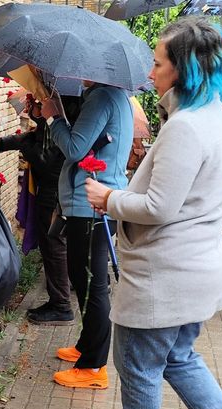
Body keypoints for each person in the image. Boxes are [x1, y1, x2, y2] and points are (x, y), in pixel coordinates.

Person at [83, 17, 222, 409]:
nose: (150, 72)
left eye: (158, 63)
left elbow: (159, 207)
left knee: (135, 361)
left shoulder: (186, 126)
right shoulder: (213, 113)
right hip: (194, 267)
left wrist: (109, 198)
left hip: (167, 274)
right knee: (177, 356)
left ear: (183, 69)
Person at [40, 82, 134, 390]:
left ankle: (93, 367)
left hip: (91, 205)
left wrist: (53, 118)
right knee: (83, 279)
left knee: (92, 284)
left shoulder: (103, 96)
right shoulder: (108, 95)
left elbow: (75, 148)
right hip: (91, 203)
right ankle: (86, 345)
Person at [0, 96, 70, 325]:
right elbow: (30, 138)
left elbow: (45, 159)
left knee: (54, 248)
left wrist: (24, 147)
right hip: (51, 192)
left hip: (54, 195)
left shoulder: (57, 130)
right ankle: (59, 300)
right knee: (52, 247)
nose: (28, 107)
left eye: (34, 103)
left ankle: (61, 306)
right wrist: (3, 143)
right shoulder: (48, 126)